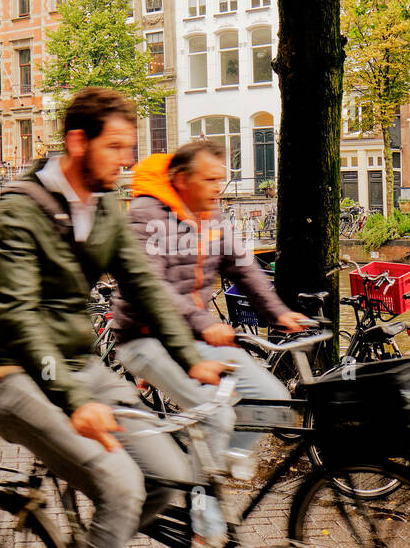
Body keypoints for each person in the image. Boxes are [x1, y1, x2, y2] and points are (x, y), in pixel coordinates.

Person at [0, 89, 224, 548]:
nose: (125, 160)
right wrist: (73, 398)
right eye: (115, 147)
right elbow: (22, 316)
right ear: (77, 143)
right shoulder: (20, 210)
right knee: (119, 483)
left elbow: (144, 283)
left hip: (78, 368)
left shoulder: (106, 210)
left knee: (172, 474)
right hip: (14, 372)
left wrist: (191, 355)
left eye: (129, 149)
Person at [113, 140, 311, 472]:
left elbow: (242, 265)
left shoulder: (212, 215)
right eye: (209, 180)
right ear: (180, 179)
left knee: (272, 397)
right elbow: (152, 288)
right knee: (218, 415)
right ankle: (199, 510)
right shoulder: (146, 214)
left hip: (195, 337)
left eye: (220, 180)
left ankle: (209, 468)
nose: (217, 189)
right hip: (146, 338)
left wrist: (277, 312)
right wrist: (204, 323)